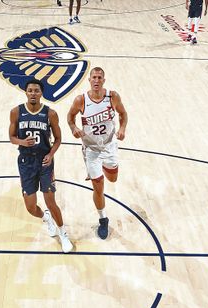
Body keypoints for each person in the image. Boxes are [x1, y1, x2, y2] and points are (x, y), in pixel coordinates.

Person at [9, 78, 72, 253]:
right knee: (30, 207)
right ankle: (45, 218)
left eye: (36, 90)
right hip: (26, 162)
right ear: (26, 92)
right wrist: (22, 141)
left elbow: (58, 138)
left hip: (44, 162)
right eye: (30, 90)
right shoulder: (16, 112)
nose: (33, 93)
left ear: (41, 93)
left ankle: (63, 234)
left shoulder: (50, 114)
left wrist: (51, 154)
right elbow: (11, 137)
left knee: (51, 201)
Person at [67, 67, 128, 240]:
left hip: (109, 145)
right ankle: (103, 219)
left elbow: (123, 113)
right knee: (98, 186)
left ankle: (104, 166)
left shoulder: (112, 97)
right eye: (93, 77)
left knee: (113, 178)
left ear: (103, 80)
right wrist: (74, 128)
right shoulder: (81, 100)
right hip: (91, 149)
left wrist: (122, 128)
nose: (96, 80)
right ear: (89, 80)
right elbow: (70, 117)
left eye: (99, 77)